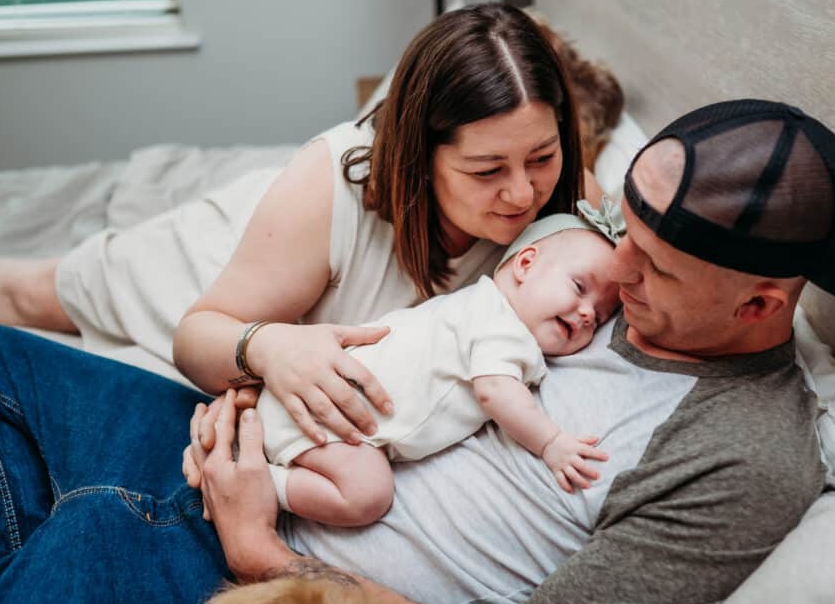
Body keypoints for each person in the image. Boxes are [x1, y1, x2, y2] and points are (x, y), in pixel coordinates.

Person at [0, 98, 835, 604]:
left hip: (279, 569)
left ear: (761, 302)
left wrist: (260, 550)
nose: (614, 269)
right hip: (252, 441)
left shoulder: (743, 456)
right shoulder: (611, 270)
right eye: (621, 230)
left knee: (92, 528)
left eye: (656, 268)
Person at [258, 208, 622, 524]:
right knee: (368, 495)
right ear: (525, 264)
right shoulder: (500, 323)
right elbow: (496, 391)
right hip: (324, 417)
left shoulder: (477, 309)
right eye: (578, 287)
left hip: (322, 409)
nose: (589, 313)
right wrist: (551, 443)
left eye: (602, 315)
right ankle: (260, 485)